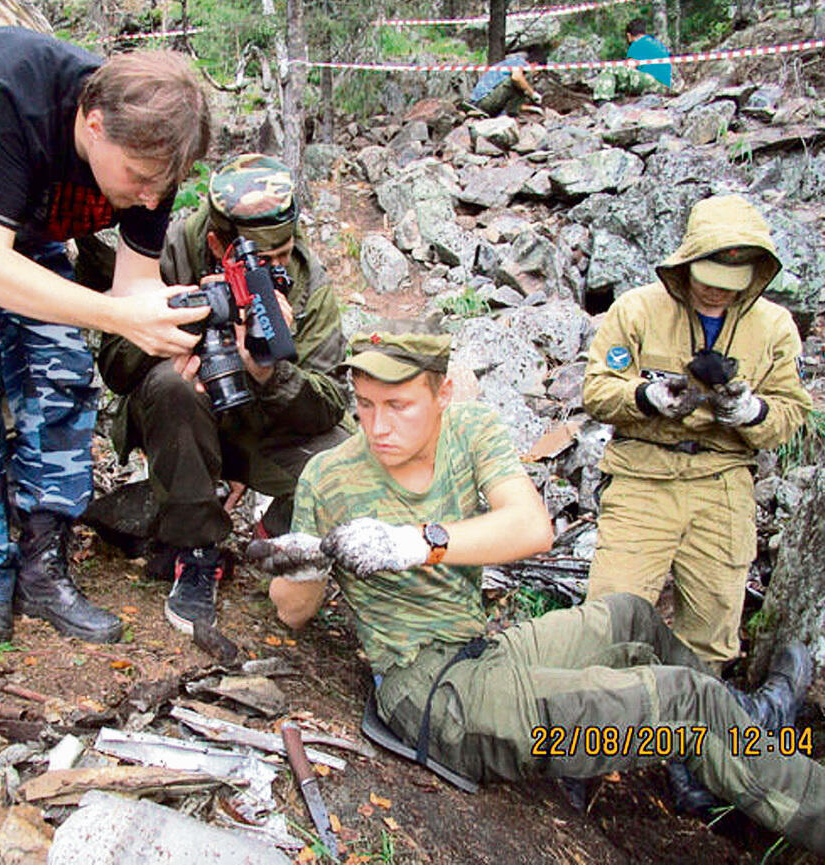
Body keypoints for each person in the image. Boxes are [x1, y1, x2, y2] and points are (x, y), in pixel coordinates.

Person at [245, 330, 825, 856]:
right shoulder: (328, 476)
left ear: (442, 394)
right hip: (431, 695)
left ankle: (739, 734)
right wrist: (309, 564)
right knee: (682, 704)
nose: (378, 428)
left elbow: (531, 527)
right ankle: (770, 774)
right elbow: (292, 615)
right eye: (364, 405)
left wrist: (414, 544)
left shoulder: (469, 432)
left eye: (398, 406)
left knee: (628, 617)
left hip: (480, 651)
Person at [0, 27, 211, 646]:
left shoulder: (155, 147)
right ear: (93, 124)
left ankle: (43, 567)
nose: (149, 196)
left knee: (64, 370)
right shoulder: (9, 93)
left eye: (161, 184)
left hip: (29, 228)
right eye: (138, 179)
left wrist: (185, 338)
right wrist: (117, 317)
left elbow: (135, 287)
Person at [95, 154, 352, 635]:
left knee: (346, 455)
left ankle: (275, 536)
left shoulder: (308, 280)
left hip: (257, 422)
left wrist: (270, 372)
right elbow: (113, 361)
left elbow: (332, 400)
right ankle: (196, 552)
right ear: (217, 242)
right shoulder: (172, 249)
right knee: (174, 385)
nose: (275, 269)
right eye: (261, 258)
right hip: (181, 417)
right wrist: (171, 333)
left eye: (283, 254)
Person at [583, 194, 811, 667]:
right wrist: (647, 399)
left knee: (711, 632)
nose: (717, 293)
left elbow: (791, 415)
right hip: (642, 478)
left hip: (723, 485)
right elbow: (597, 391)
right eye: (708, 281)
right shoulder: (637, 310)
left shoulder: (775, 328)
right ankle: (605, 728)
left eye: (731, 286)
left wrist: (751, 412)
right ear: (685, 263)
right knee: (608, 622)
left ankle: (693, 731)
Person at [592, 18, 671, 101]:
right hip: (664, 85)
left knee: (611, 69)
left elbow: (629, 66)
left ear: (629, 36)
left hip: (654, 83)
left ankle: (602, 99)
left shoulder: (637, 44)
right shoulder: (657, 43)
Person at [467, 46, 543, 117]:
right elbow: (516, 78)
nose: (536, 75)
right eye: (538, 72)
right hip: (482, 102)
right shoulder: (520, 63)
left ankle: (506, 115)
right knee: (522, 81)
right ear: (535, 65)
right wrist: (532, 93)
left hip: (485, 101)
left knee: (522, 84)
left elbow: (514, 103)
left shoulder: (513, 63)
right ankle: (507, 115)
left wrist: (533, 109)